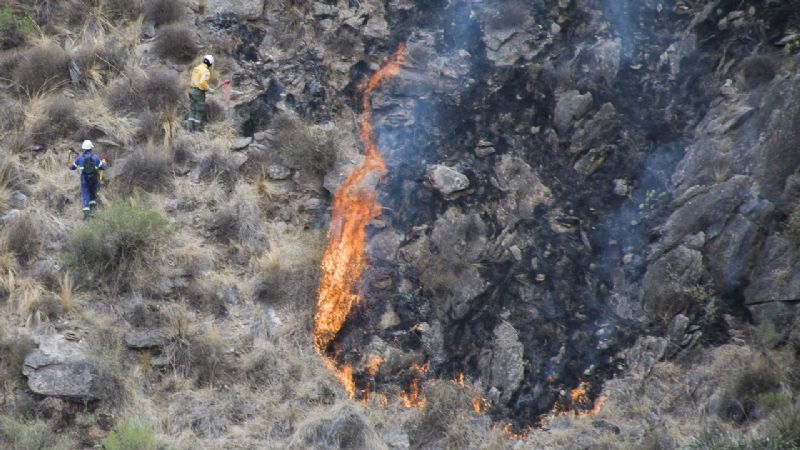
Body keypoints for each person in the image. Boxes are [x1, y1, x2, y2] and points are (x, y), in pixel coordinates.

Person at [69, 140, 106, 218]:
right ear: (90, 148)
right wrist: (104, 162)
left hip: (84, 179)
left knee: (86, 195)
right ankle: (93, 212)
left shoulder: (79, 158)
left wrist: (69, 164)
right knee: (93, 194)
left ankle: (86, 215)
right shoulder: (95, 157)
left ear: (83, 149)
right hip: (94, 178)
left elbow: (72, 168)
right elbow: (103, 167)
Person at [188, 54, 214, 131]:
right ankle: (196, 130)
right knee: (199, 110)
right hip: (198, 93)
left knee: (192, 109)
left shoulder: (196, 68)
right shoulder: (206, 71)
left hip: (192, 90)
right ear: (210, 63)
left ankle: (190, 129)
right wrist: (209, 89)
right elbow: (202, 83)